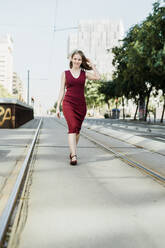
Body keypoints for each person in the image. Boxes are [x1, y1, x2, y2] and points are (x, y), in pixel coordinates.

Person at [56, 50, 100, 165]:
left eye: (79, 59)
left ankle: (72, 151)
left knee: (77, 130)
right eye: (75, 59)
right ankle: (74, 156)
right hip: (68, 104)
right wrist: (58, 107)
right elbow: (61, 91)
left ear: (81, 61)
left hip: (81, 105)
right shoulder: (65, 74)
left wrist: (92, 64)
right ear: (71, 59)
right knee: (72, 127)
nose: (77, 61)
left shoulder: (84, 74)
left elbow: (98, 77)